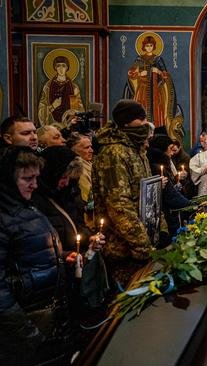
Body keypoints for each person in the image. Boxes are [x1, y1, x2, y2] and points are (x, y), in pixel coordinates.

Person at [0, 146, 85, 365]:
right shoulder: (4, 216)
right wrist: (29, 334)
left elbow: (30, 251)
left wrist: (61, 257)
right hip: (25, 326)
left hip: (48, 316)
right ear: (8, 180)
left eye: (36, 178)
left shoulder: (27, 207)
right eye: (27, 179)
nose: (35, 185)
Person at [93, 100, 156, 284]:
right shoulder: (113, 152)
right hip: (123, 248)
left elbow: (149, 193)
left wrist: (159, 229)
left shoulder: (136, 149)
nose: (145, 123)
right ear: (127, 122)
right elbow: (119, 206)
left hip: (143, 241)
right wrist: (143, 245)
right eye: (140, 119)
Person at [124, 35, 181, 140]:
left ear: (154, 46)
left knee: (157, 114)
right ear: (143, 47)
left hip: (156, 91)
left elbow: (165, 75)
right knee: (142, 109)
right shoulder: (139, 59)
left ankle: (157, 135)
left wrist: (157, 71)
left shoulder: (158, 59)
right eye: (147, 45)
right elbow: (131, 73)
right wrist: (140, 74)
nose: (149, 47)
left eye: (151, 45)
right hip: (142, 90)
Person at [37, 55, 85, 128]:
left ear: (67, 68)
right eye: (58, 66)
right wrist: (53, 106)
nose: (61, 69)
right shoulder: (48, 87)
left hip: (68, 123)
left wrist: (73, 113)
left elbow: (76, 108)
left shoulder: (73, 87)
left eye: (63, 66)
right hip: (52, 124)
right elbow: (42, 109)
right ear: (55, 68)